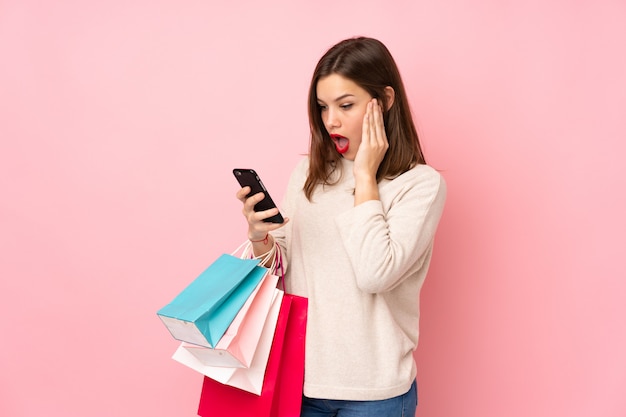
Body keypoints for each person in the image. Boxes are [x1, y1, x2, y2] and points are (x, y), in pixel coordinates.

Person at [236, 36, 446, 417]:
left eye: (345, 105)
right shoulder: (309, 173)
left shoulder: (420, 185)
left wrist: (365, 177)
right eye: (322, 107)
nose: (330, 120)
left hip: (376, 394)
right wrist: (260, 237)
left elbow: (375, 274)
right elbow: (282, 270)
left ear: (383, 101)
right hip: (298, 382)